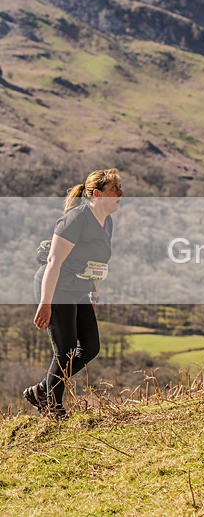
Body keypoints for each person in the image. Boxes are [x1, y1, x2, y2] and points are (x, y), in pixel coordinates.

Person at [24, 169, 123, 418]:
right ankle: (52, 405)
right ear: (98, 194)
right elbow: (54, 262)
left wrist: (94, 296)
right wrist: (46, 303)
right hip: (56, 287)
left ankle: (42, 389)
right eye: (115, 190)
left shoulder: (106, 222)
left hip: (79, 289)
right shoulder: (75, 220)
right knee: (66, 348)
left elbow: (98, 264)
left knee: (90, 347)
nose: (121, 194)